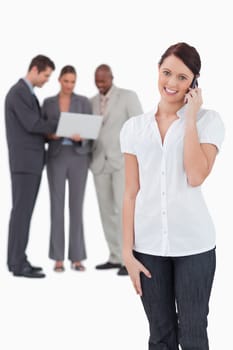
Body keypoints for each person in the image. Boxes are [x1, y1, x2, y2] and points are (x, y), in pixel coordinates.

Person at [120, 42, 225, 349]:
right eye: (167, 73)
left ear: (194, 82)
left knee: (193, 334)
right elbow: (130, 192)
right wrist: (127, 253)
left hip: (195, 247)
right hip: (148, 247)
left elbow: (195, 176)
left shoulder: (209, 121)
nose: (172, 83)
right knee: (161, 336)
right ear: (157, 71)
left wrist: (189, 118)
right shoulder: (133, 129)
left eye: (182, 77)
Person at [5, 55, 56, 278]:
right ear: (35, 69)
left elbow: (33, 129)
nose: (46, 80)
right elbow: (32, 124)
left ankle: (19, 259)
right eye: (45, 75)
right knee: (21, 213)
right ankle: (17, 263)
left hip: (31, 162)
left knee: (24, 213)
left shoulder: (27, 94)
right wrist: (61, 126)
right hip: (25, 164)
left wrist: (52, 134)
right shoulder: (18, 93)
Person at [90, 64, 143, 276]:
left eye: (103, 80)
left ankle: (127, 257)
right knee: (106, 211)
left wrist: (137, 158)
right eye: (96, 80)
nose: (99, 84)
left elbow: (139, 126)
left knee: (124, 211)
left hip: (122, 162)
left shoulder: (127, 96)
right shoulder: (90, 102)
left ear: (112, 77)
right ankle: (114, 256)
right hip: (98, 163)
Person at [42, 65, 92, 272]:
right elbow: (42, 129)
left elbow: (91, 129)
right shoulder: (48, 103)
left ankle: (77, 257)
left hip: (79, 156)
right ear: (59, 80)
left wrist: (82, 136)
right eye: (66, 81)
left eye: (73, 81)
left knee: (76, 207)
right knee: (56, 206)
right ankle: (58, 258)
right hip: (56, 156)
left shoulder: (84, 102)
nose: (69, 85)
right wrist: (51, 135)